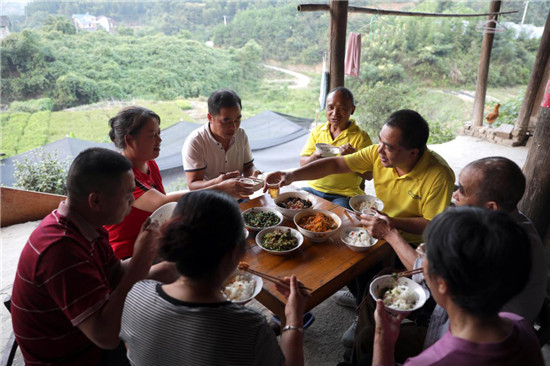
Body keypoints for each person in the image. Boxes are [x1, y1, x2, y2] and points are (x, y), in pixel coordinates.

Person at [352, 156, 547, 364]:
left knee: (369, 337)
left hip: (463, 327)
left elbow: (425, 273)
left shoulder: (493, 246)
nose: (454, 196)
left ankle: (364, 344)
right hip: (491, 322)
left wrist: (391, 234)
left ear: (491, 207)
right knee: (385, 279)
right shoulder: (510, 227)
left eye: (462, 190)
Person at [10, 148, 175, 366]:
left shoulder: (85, 225)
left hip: (86, 338)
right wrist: (141, 263)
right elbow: (106, 337)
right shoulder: (61, 250)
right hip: (76, 357)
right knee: (171, 339)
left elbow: (114, 273)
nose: (132, 202)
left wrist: (156, 261)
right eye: (128, 195)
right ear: (95, 201)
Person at [120, 190, 308, 366]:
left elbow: (132, 349)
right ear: (235, 252)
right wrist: (293, 319)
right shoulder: (249, 328)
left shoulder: (135, 294)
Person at [372, 207, 544, 366]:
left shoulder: (430, 362)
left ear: (442, 284)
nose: (421, 257)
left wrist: (383, 342)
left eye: (427, 256)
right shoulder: (520, 327)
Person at [266, 109, 454, 244]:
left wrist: (388, 223)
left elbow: (432, 225)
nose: (379, 150)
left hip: (412, 244)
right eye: (380, 140)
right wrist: (291, 175)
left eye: (388, 147)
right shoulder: (375, 153)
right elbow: (334, 164)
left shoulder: (439, 176)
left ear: (413, 153)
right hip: (377, 226)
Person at [105, 106, 187, 259]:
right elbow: (161, 202)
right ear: (129, 140)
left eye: (159, 133)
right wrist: (217, 189)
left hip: (153, 244)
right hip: (128, 257)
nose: (159, 140)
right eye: (152, 135)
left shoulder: (149, 164)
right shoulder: (120, 173)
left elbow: (164, 207)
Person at [299, 87, 373, 209]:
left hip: (343, 195)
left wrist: (352, 159)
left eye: (342, 108)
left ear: (352, 110)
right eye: (330, 107)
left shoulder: (361, 137)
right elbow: (302, 164)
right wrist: (315, 156)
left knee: (338, 219)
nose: (335, 113)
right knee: (292, 205)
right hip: (313, 189)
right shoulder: (318, 131)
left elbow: (369, 175)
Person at [182, 89, 261, 199]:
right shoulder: (196, 141)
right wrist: (218, 183)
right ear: (210, 118)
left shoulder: (241, 134)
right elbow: (193, 185)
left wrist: (253, 175)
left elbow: (248, 166)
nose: (233, 127)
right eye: (226, 121)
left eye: (237, 120)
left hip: (241, 198)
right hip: (211, 201)